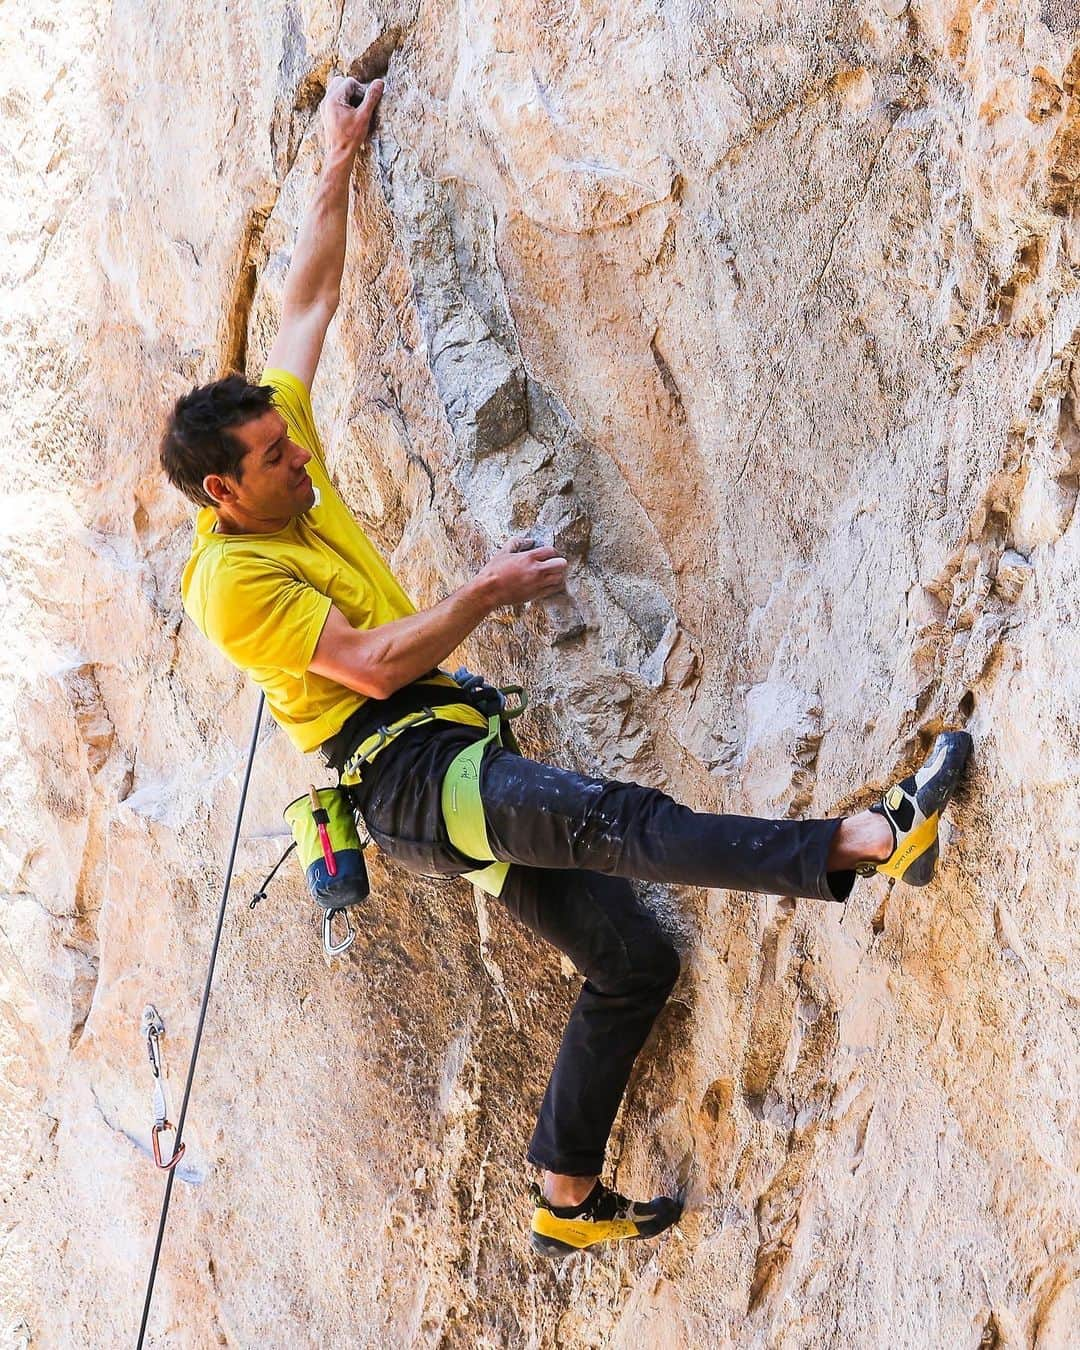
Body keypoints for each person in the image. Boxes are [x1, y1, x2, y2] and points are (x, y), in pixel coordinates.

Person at [159, 75, 972, 1259]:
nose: (301, 461)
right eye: (277, 461)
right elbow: (376, 668)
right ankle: (866, 841)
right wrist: (489, 586)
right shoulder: (230, 585)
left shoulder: (277, 448)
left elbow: (309, 300)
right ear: (224, 492)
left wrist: (336, 157)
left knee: (632, 959)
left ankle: (562, 1194)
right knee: (623, 824)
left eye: (291, 442)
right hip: (407, 777)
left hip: (449, 756)